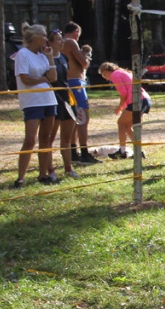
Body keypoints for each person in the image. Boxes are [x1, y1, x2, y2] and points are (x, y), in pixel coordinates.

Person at [13, 23, 58, 188]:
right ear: (34, 37)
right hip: (32, 102)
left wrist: (50, 57)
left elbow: (53, 77)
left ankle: (43, 174)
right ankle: (20, 178)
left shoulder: (42, 55)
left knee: (46, 138)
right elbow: (25, 79)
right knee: (30, 140)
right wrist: (43, 79)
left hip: (49, 100)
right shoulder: (22, 54)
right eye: (44, 35)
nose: (46, 39)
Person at [62, 23, 100, 164]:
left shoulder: (59, 43)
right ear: (76, 31)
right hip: (76, 82)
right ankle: (84, 152)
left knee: (74, 118)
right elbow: (84, 63)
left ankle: (73, 152)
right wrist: (86, 57)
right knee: (83, 118)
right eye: (78, 34)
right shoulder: (71, 42)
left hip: (67, 82)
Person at [44, 29, 80, 179]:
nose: (62, 41)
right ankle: (50, 171)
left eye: (61, 39)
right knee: (49, 139)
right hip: (52, 99)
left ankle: (68, 169)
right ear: (50, 42)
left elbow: (67, 79)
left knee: (66, 138)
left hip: (66, 99)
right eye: (58, 39)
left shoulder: (64, 58)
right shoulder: (45, 59)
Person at [98, 62, 152, 160]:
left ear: (106, 70)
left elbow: (123, 93)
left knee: (121, 123)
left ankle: (122, 152)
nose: (105, 78)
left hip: (137, 100)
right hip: (145, 100)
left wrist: (120, 107)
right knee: (128, 126)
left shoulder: (115, 75)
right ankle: (139, 151)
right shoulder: (123, 72)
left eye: (103, 74)